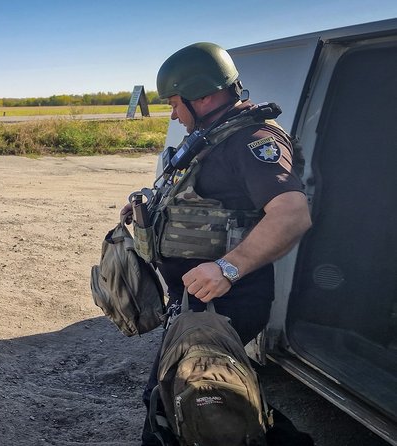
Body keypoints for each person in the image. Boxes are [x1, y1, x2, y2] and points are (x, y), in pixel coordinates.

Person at [122, 42, 312, 445]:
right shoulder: (214, 135)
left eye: (175, 102)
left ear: (204, 94)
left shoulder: (251, 140)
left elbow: (292, 213)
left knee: (181, 400)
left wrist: (228, 268)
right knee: (205, 395)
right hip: (196, 297)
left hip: (224, 301)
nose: (173, 113)